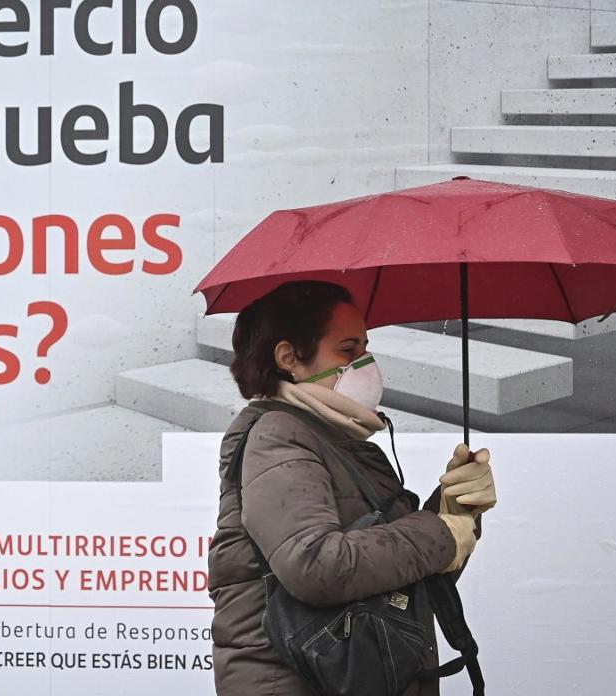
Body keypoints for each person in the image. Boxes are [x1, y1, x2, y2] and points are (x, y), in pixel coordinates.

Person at [207, 280, 497, 696]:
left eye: (366, 347)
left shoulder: (339, 443)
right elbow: (315, 566)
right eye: (348, 349)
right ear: (289, 357)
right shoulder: (279, 435)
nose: (366, 363)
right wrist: (438, 534)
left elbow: (398, 575)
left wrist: (454, 509)